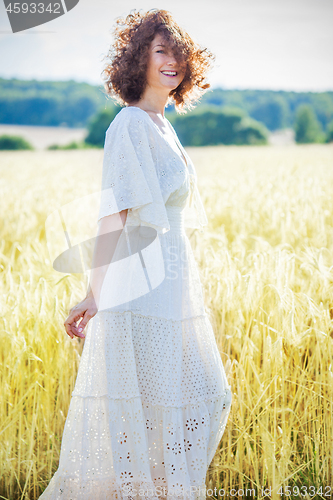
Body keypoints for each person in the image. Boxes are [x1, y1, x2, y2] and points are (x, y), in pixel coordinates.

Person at [39, 9, 232, 500]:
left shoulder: (161, 124)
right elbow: (115, 215)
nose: (172, 62)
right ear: (137, 60)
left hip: (172, 284)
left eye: (178, 53)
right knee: (150, 409)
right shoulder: (130, 124)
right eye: (159, 51)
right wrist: (93, 292)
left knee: (203, 395)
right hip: (139, 288)